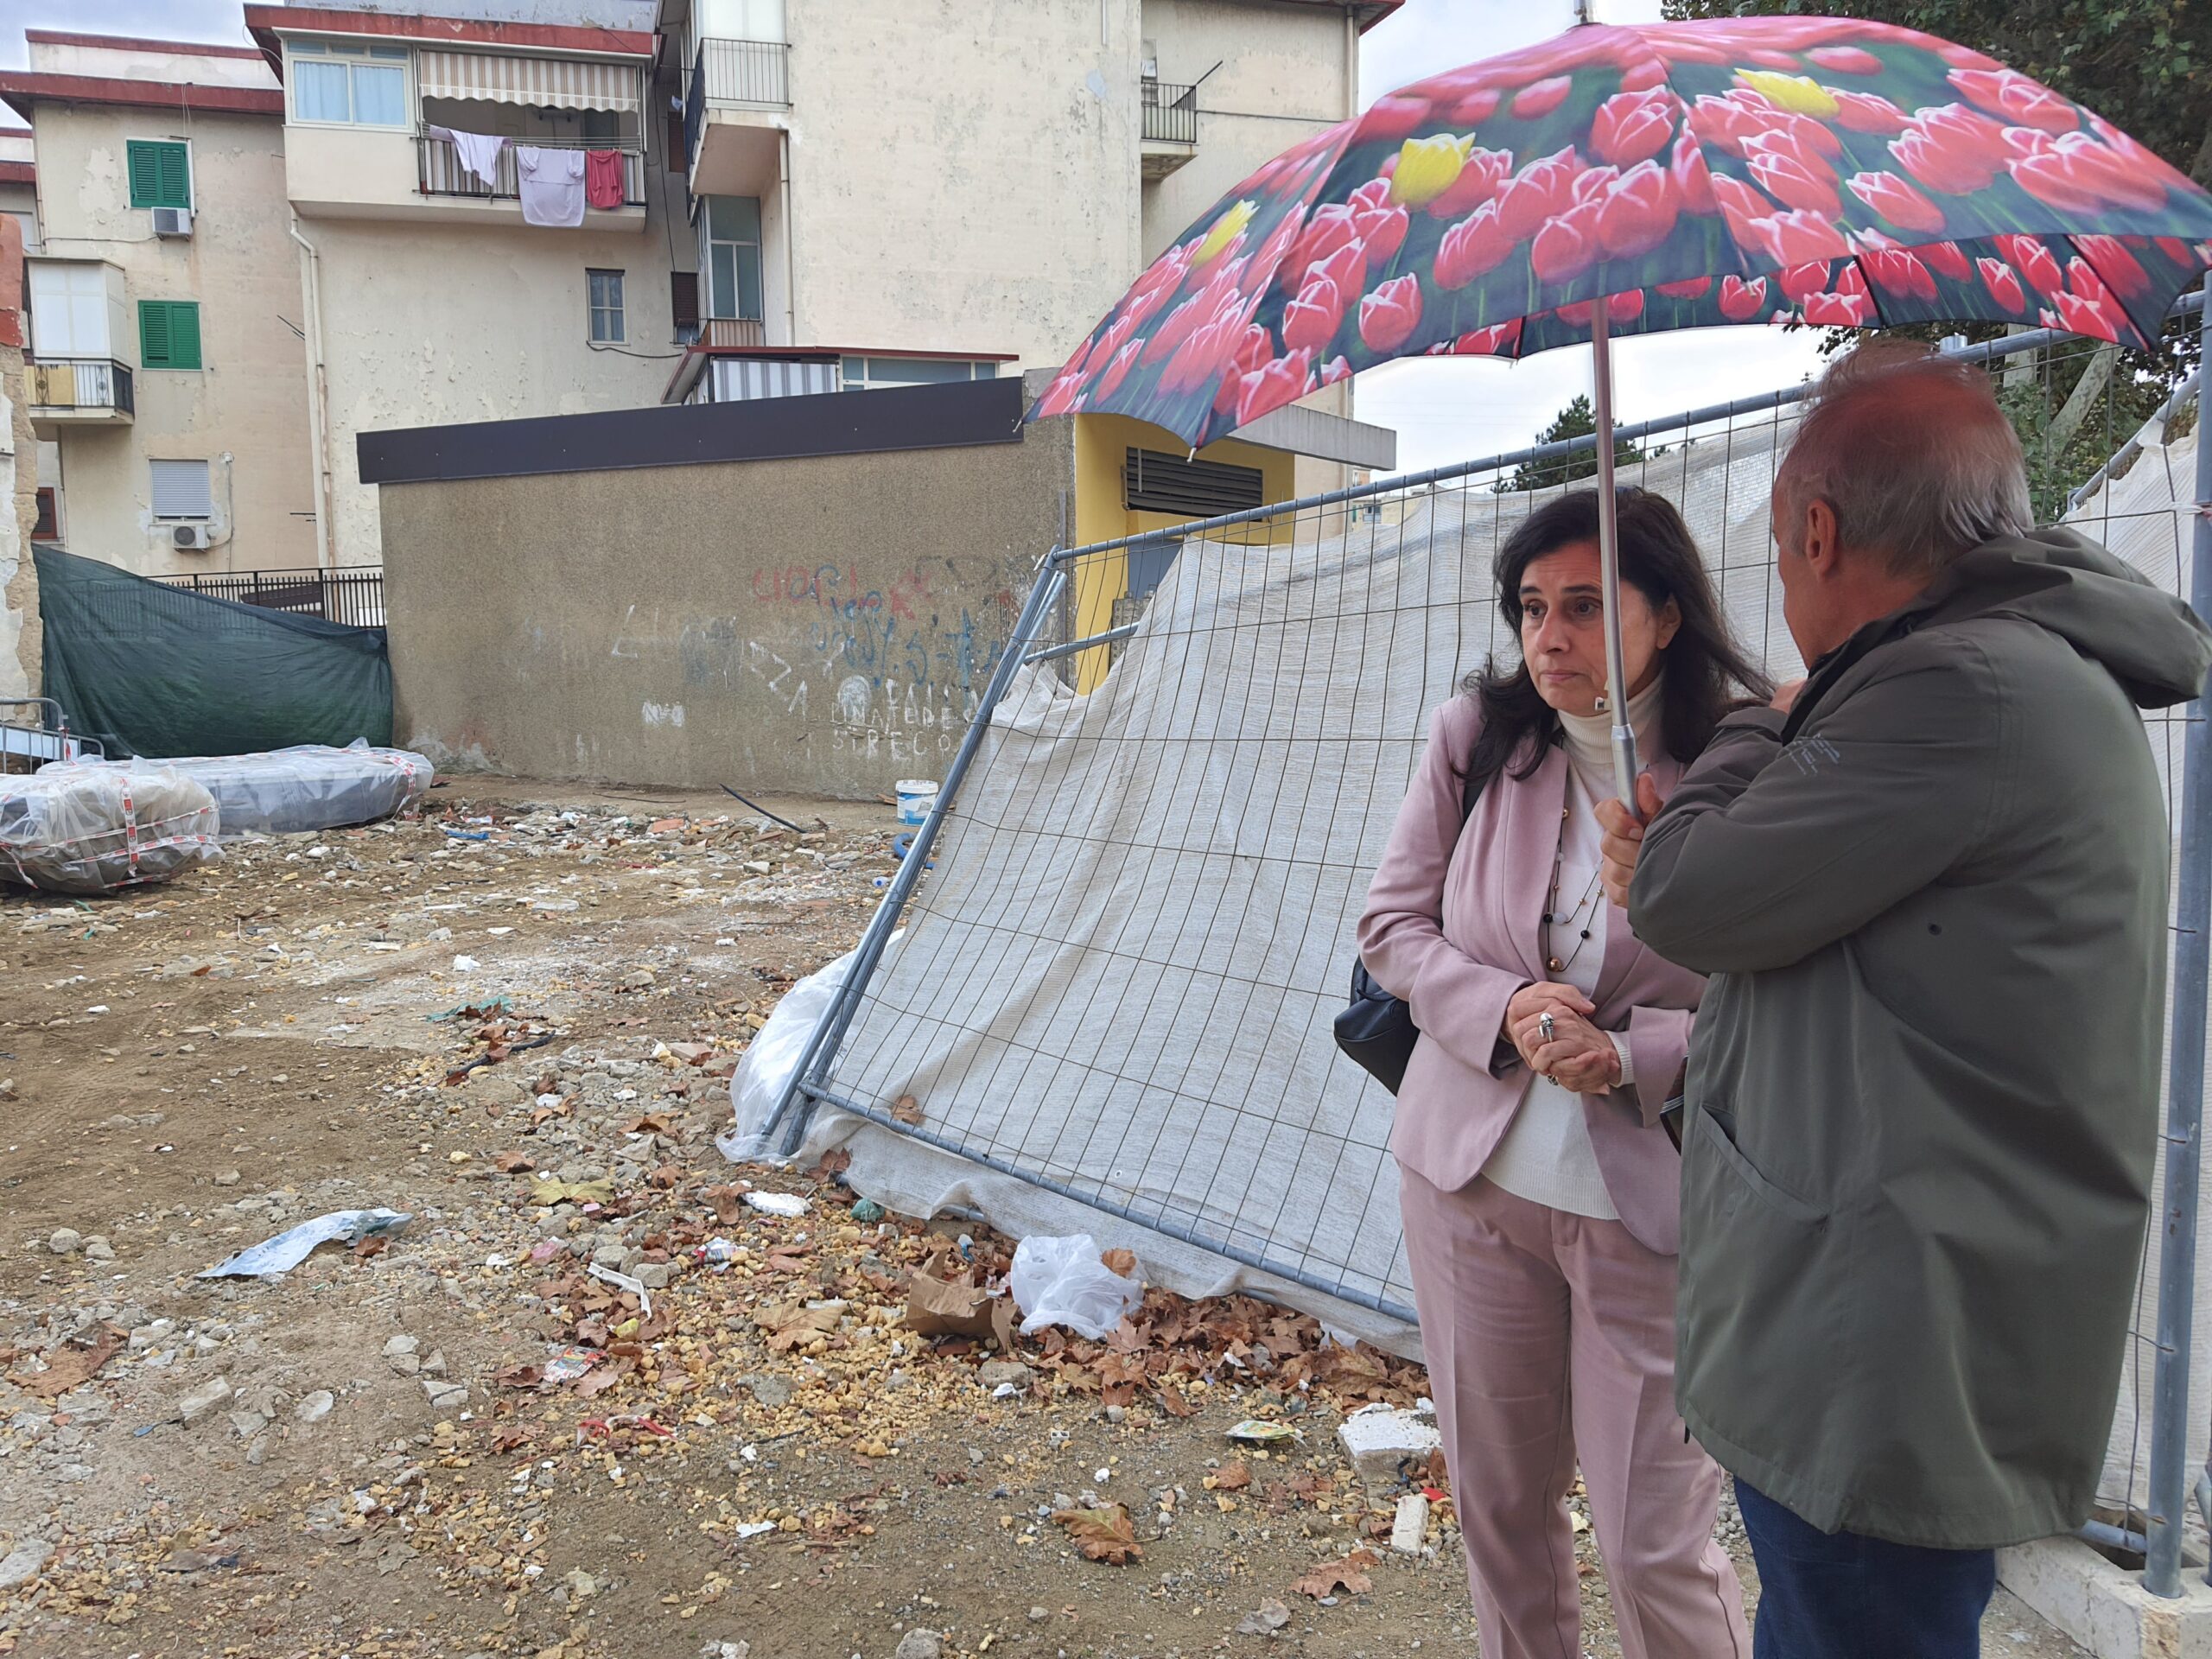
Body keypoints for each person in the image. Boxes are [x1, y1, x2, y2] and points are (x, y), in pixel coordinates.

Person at [1597, 343, 2212, 1656]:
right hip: (1891, 1307)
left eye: (1775, 548)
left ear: (1817, 531)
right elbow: (1807, 926)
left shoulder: (1957, 691)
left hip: (1879, 1349)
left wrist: (1762, 727)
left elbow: (1690, 895)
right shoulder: (2002, 669)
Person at [1359, 486, 1769, 1659]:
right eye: (1532, 607)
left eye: (1586, 607)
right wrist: (1508, 1005)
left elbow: (1788, 1003)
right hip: (1470, 1188)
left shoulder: (1746, 765)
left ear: (1669, 615)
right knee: (1501, 1515)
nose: (1549, 637)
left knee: (1654, 1546)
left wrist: (1636, 1053)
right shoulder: (1479, 739)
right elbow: (1392, 924)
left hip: (1657, 1212)